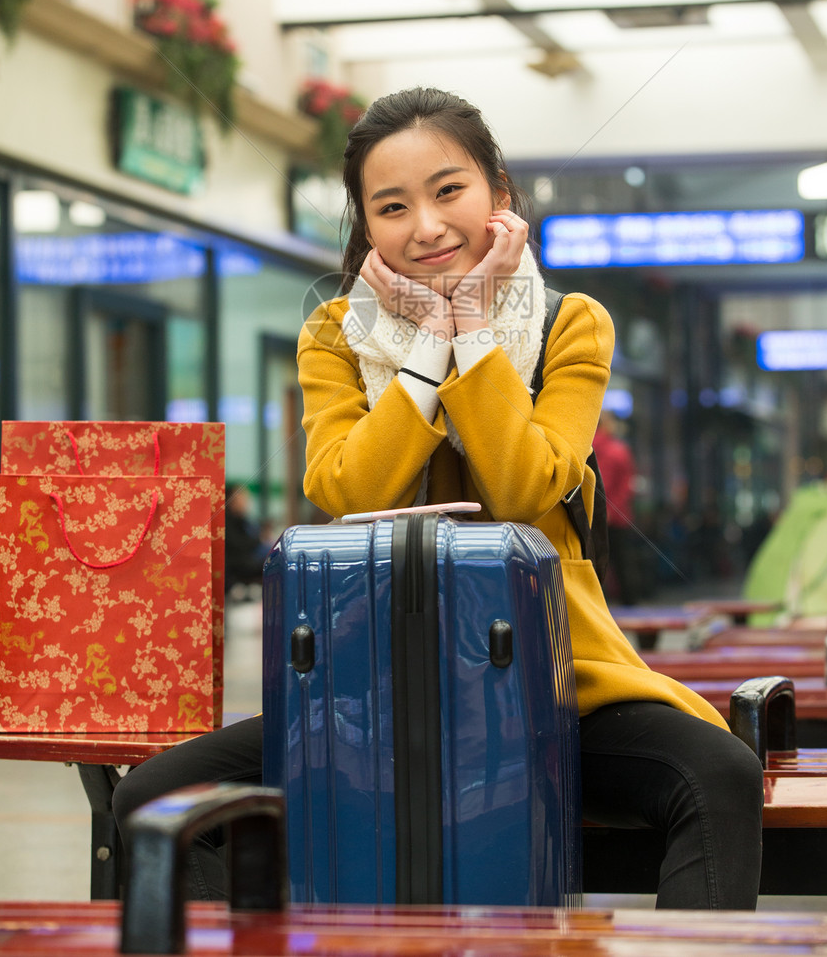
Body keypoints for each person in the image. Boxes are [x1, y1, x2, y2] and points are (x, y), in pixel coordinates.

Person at [113, 87, 763, 908]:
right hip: (364, 686)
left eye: (448, 190)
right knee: (153, 801)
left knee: (718, 778)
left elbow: (525, 486)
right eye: (392, 206)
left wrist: (478, 334)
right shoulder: (333, 334)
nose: (425, 226)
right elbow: (349, 488)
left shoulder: (571, 326)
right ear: (365, 226)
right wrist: (429, 352)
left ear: (500, 194)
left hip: (556, 687)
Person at [591, 410, 641, 605]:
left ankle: (597, 607)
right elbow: (626, 486)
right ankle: (629, 605)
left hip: (593, 517)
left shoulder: (587, 448)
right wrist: (613, 510)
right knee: (622, 564)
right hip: (617, 518)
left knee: (594, 564)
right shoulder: (619, 450)